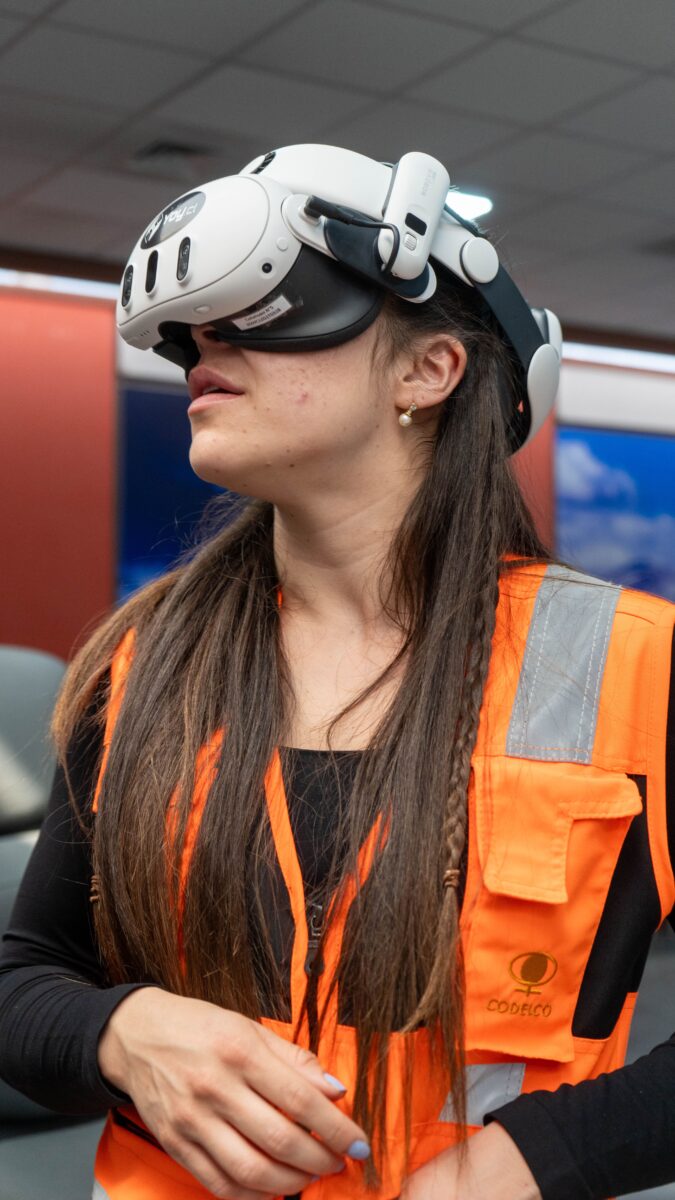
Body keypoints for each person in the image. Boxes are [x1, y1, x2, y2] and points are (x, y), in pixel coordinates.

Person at [1, 144, 674, 1200]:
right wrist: (122, 1031)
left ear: (428, 370)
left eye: (269, 312)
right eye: (192, 334)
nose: (202, 350)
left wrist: (538, 1158)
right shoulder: (148, 666)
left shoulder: (637, 667)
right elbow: (21, 978)